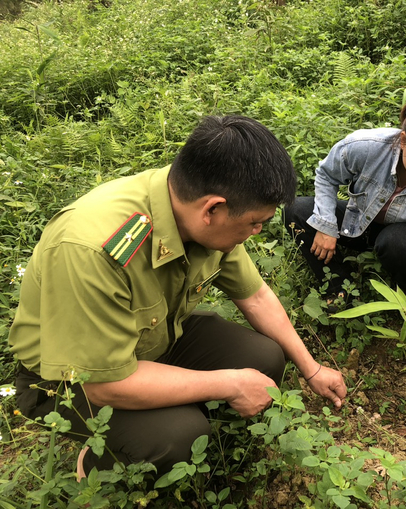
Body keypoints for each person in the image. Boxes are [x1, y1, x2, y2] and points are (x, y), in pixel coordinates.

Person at [9, 115, 347, 478]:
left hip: (156, 341)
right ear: (212, 209)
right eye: (253, 222)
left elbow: (256, 296)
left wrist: (311, 368)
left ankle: (185, 415)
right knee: (178, 437)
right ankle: (97, 463)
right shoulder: (91, 248)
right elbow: (104, 385)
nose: (257, 231)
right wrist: (230, 383)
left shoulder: (196, 203)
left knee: (265, 356)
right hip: (71, 380)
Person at [284, 96, 406, 390]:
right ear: (404, 140)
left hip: (401, 239)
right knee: (297, 211)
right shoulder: (365, 147)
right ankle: (338, 284)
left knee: (398, 242)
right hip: (356, 223)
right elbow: (325, 174)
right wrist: (325, 224)